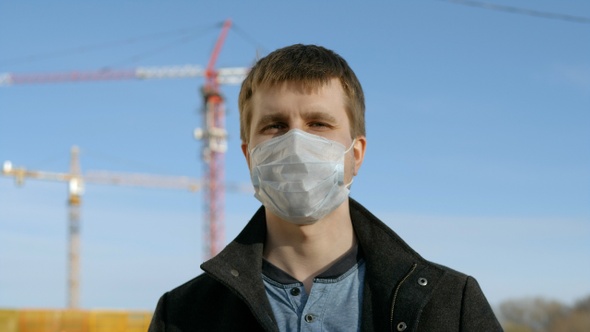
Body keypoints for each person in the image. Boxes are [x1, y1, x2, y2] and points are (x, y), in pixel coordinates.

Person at [148, 44, 502, 331]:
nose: (296, 143)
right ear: (248, 155)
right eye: (275, 126)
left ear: (356, 154)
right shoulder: (181, 315)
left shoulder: (451, 304)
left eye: (318, 123)